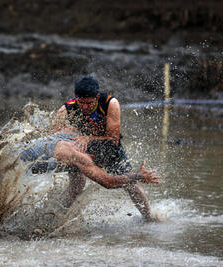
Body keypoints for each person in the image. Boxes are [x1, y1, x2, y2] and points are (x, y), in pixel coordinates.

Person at [21, 76, 159, 221]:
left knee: (131, 184)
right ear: (75, 97)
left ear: (97, 97)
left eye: (89, 103)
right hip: (79, 149)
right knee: (77, 185)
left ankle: (149, 218)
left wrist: (88, 138)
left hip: (108, 147)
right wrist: (73, 136)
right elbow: (53, 137)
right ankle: (53, 219)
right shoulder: (66, 109)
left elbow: (113, 139)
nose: (85, 107)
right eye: (82, 103)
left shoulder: (110, 103)